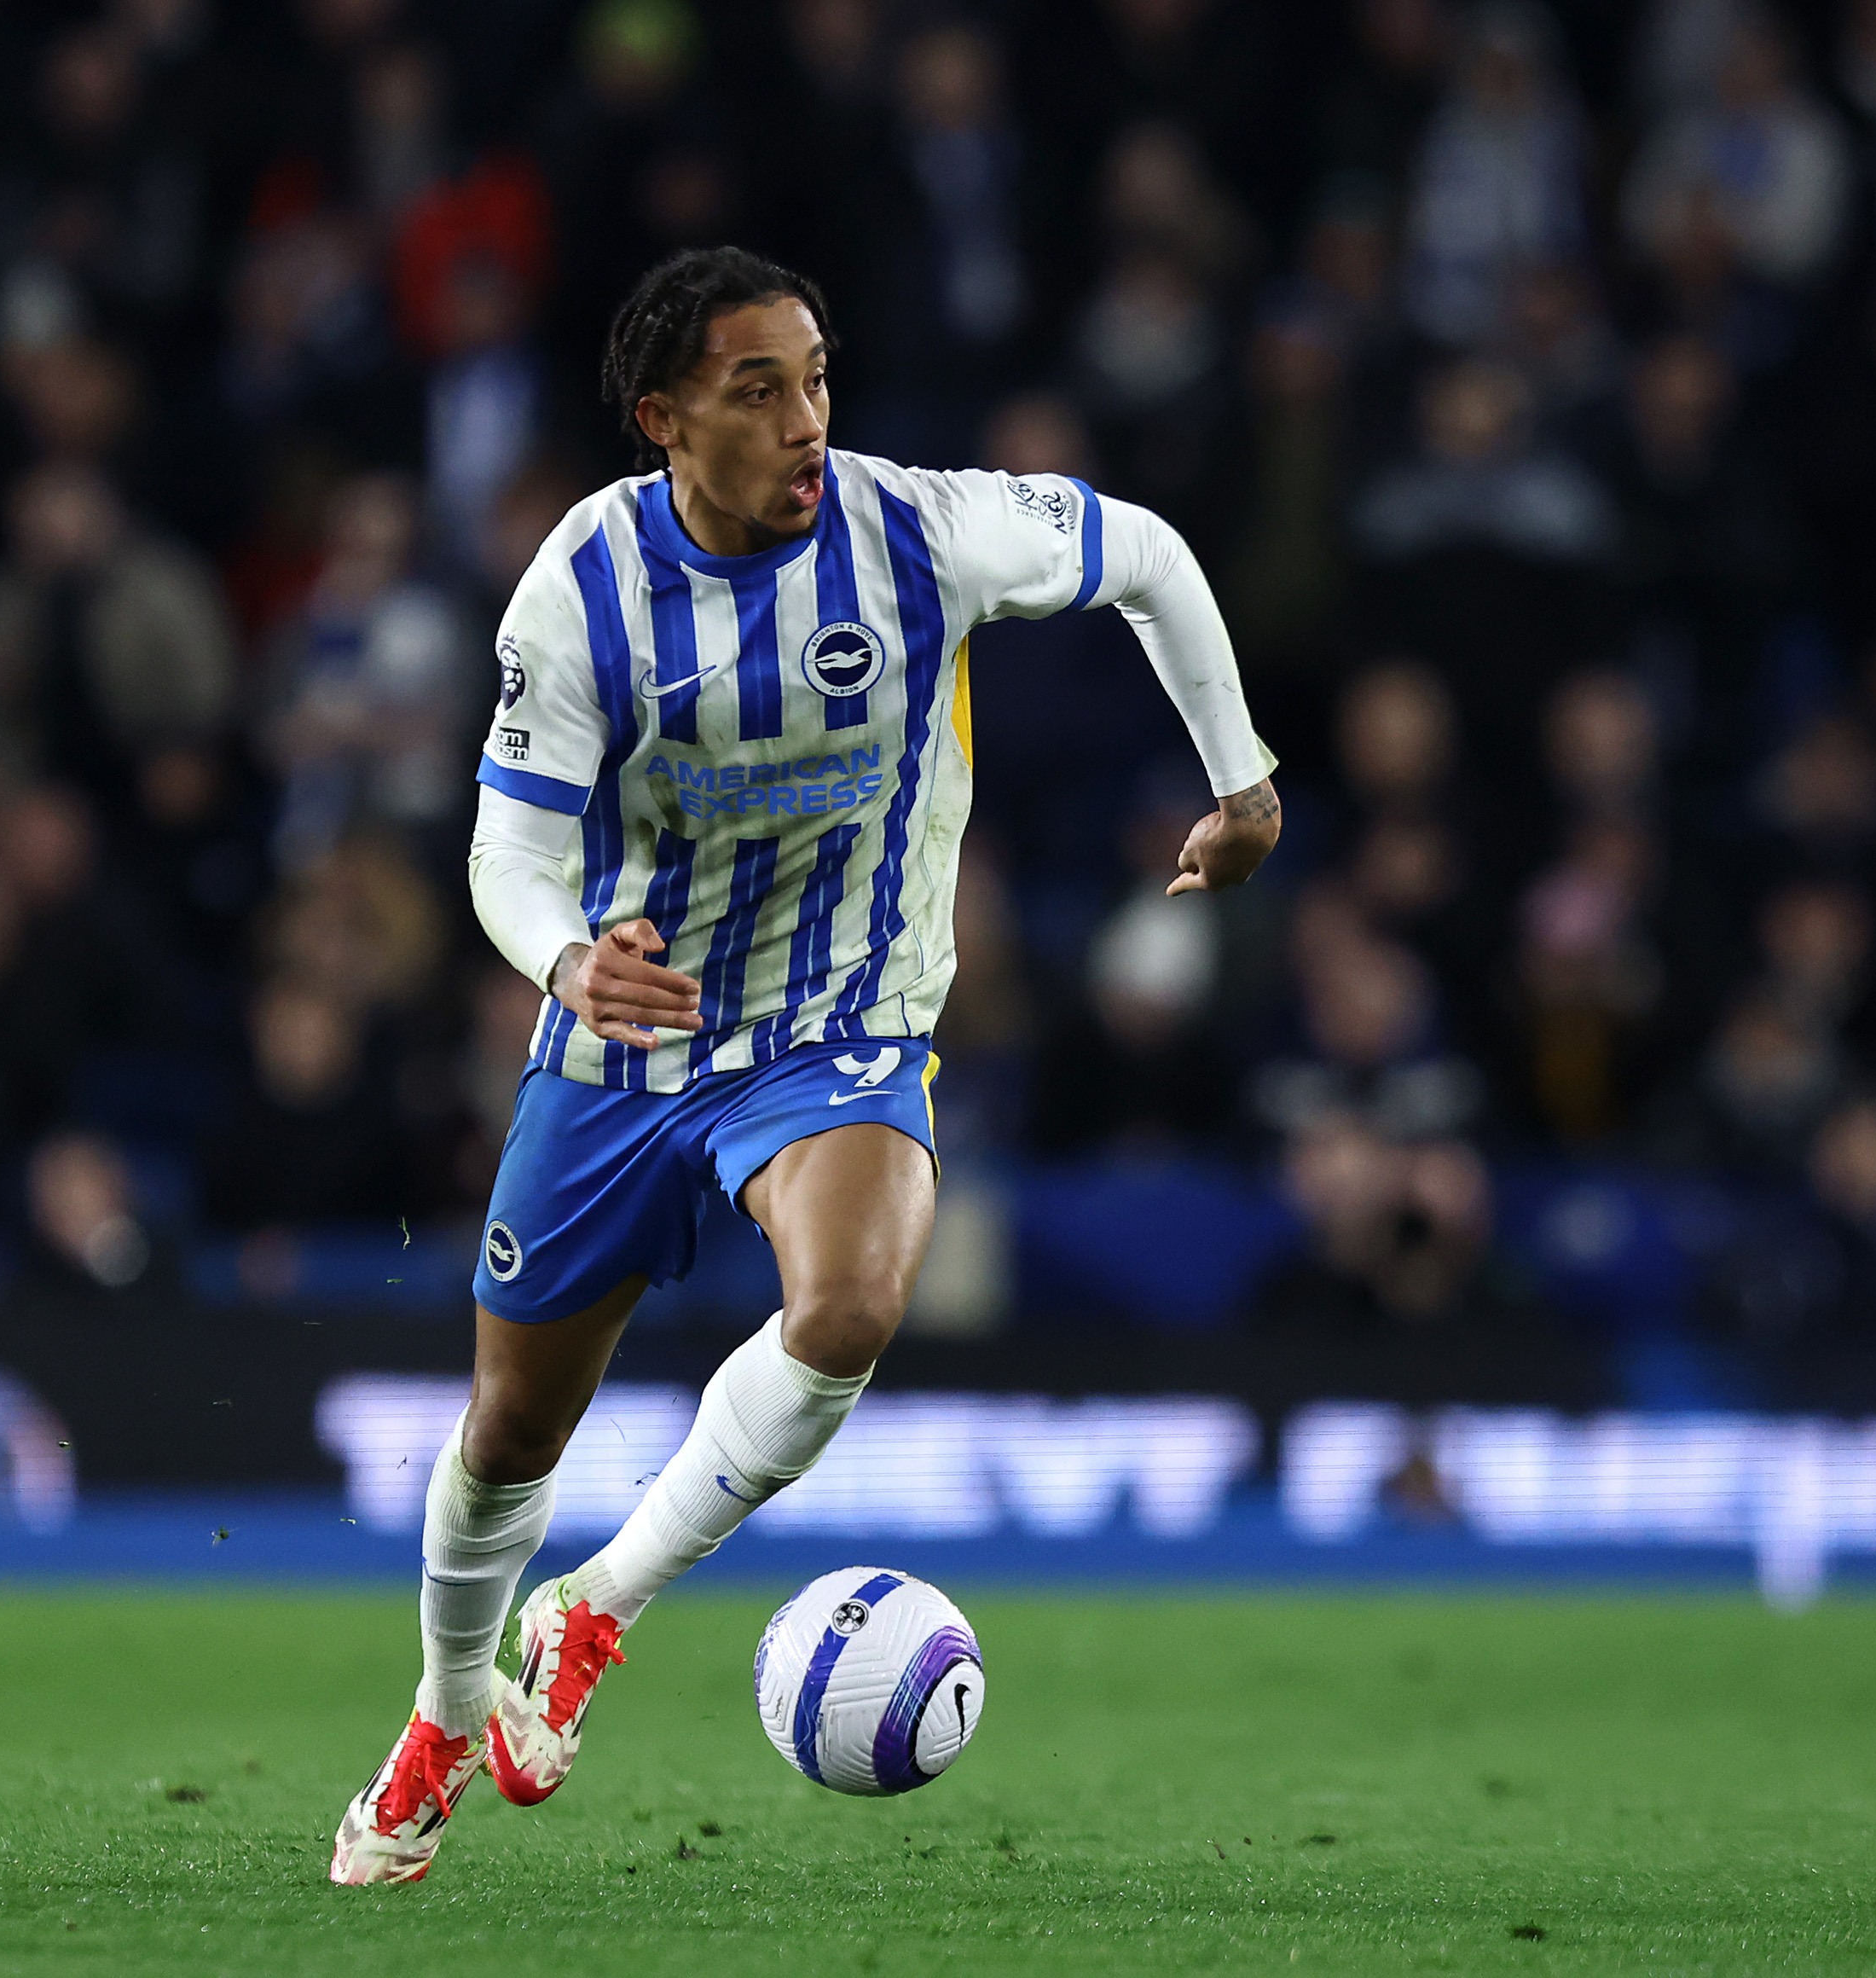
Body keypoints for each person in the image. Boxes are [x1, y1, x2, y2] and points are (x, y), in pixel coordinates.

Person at [330, 247, 1282, 1883]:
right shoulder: (581, 587)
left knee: (847, 1305)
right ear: (664, 421)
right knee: (508, 1428)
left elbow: (1152, 557)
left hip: (843, 1026)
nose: (806, 421)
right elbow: (505, 850)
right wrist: (565, 957)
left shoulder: (921, 529)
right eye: (757, 391)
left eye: (818, 379)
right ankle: (439, 1711)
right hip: (628, 1037)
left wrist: (1244, 778)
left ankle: (598, 1612)